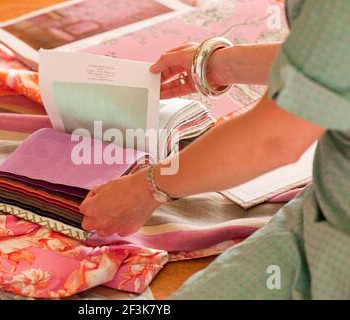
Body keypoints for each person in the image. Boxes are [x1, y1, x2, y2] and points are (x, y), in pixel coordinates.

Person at [80, 0, 350, 299]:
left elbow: (271, 141)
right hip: (324, 206)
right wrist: (217, 65)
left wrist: (145, 189)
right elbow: (328, 57)